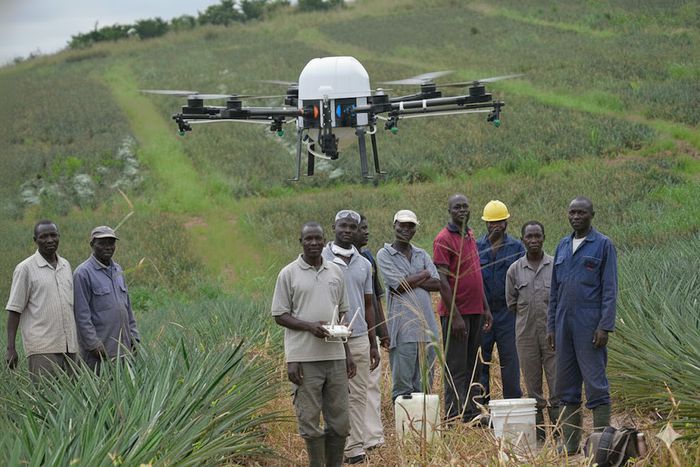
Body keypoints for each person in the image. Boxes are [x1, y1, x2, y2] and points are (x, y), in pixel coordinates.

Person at [272, 221, 355, 467]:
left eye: (318, 239)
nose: (314, 243)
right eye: (308, 239)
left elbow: (343, 315)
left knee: (340, 423)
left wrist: (347, 353)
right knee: (309, 423)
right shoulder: (288, 274)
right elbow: (280, 315)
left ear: (324, 240)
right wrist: (308, 329)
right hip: (304, 360)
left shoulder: (335, 272)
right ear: (301, 242)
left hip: (335, 357)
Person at [547, 197, 618, 454]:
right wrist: (551, 327)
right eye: (572, 212)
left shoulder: (603, 245)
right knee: (566, 384)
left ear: (592, 214)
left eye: (581, 212)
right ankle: (570, 444)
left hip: (590, 324)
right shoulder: (563, 245)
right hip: (563, 323)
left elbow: (610, 289)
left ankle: (602, 444)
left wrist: (605, 326)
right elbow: (554, 291)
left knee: (596, 382)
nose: (576, 216)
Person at [322, 210, 378, 465]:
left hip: (357, 338)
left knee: (357, 394)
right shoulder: (320, 258)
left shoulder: (364, 264)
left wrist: (373, 342)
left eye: (352, 227)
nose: (347, 230)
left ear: (357, 231)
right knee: (334, 394)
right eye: (342, 226)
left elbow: (369, 305)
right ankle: (336, 444)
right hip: (328, 339)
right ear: (334, 227)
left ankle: (355, 447)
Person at [433, 195, 492, 423]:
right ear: (449, 210)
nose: (461, 210)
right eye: (456, 207)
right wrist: (455, 316)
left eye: (465, 206)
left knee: (473, 365)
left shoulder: (469, 234)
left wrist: (485, 308)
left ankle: (471, 413)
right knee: (456, 367)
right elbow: (442, 281)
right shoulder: (443, 239)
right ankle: (452, 416)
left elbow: (476, 275)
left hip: (475, 311)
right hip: (456, 315)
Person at [377, 209, 440, 401]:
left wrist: (411, 280)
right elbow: (398, 286)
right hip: (403, 331)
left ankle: (424, 427)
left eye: (410, 226)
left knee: (425, 385)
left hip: (427, 330)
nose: (406, 229)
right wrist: (423, 274)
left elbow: (437, 283)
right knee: (403, 388)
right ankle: (404, 427)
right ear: (394, 225)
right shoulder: (385, 254)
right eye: (402, 225)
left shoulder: (421, 254)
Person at [5, 220, 79, 383]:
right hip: (42, 349)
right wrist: (11, 348)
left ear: (59, 237)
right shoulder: (25, 268)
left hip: (70, 346)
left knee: (73, 402)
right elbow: (14, 310)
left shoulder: (65, 265)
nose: (49, 240)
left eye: (53, 235)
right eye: (43, 236)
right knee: (48, 402)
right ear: (35, 240)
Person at [506, 221, 558, 441]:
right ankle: (540, 434)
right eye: (530, 237)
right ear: (522, 240)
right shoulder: (514, 270)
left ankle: (559, 433)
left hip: (552, 337)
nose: (534, 241)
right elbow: (511, 303)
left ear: (544, 237)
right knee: (533, 389)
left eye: (538, 236)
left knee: (557, 387)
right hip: (526, 338)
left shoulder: (556, 266)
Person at [73, 226, 140, 371]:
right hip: (99, 354)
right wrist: (93, 345)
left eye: (111, 242)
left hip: (124, 351)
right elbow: (81, 316)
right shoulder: (83, 273)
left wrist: (134, 337)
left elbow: (127, 308)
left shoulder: (118, 269)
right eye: (102, 243)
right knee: (100, 392)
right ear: (92, 244)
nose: (108, 247)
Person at [477, 200, 525, 402]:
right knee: (481, 362)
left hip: (508, 314)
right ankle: (481, 408)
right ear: (486, 224)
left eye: (499, 222)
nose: (495, 226)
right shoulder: (477, 247)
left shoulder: (517, 247)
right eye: (491, 222)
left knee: (510, 362)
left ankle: (512, 405)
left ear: (506, 222)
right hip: (483, 313)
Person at [354, 214, 389, 451]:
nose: (367, 232)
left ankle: (373, 437)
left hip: (369, 332)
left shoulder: (367, 258)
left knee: (371, 384)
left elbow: (375, 300)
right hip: (347, 333)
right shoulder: (332, 259)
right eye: (361, 228)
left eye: (367, 227)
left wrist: (382, 332)